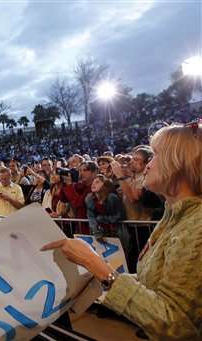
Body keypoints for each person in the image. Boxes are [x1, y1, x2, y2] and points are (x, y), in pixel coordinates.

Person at [42, 122, 202, 340]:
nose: (147, 165)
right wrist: (97, 275)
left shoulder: (197, 225)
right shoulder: (174, 213)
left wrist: (96, 266)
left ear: (178, 164)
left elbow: (176, 324)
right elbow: (155, 283)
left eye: (155, 155)